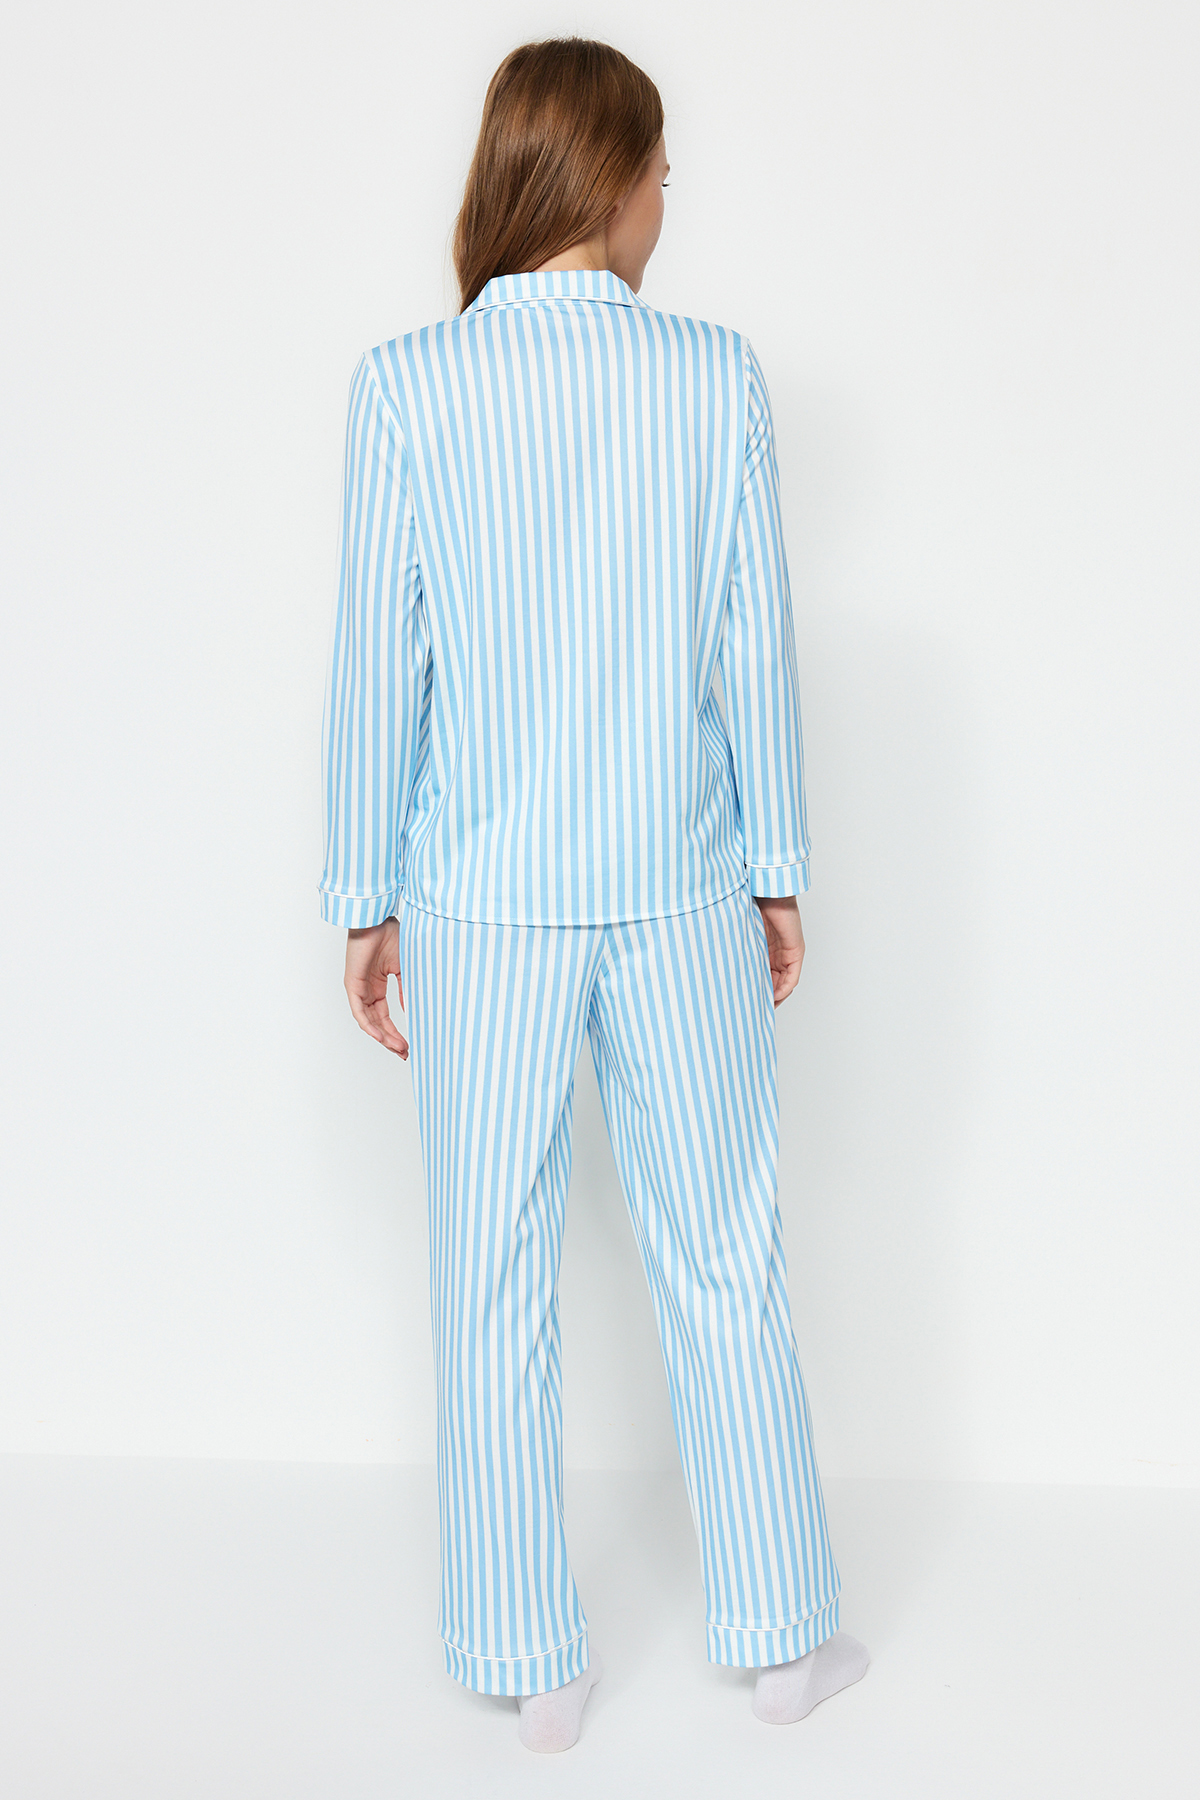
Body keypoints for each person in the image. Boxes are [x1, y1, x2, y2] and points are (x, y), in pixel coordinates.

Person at [318, 35, 869, 1754]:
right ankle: (784, 1641)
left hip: (479, 900)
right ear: (612, 177)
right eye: (662, 172)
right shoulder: (714, 377)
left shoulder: (409, 386)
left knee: (487, 1274)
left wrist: (362, 894)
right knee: (725, 1250)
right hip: (679, 881)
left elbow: (378, 666)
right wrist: (778, 869)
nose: (668, 199)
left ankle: (531, 1664)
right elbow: (754, 651)